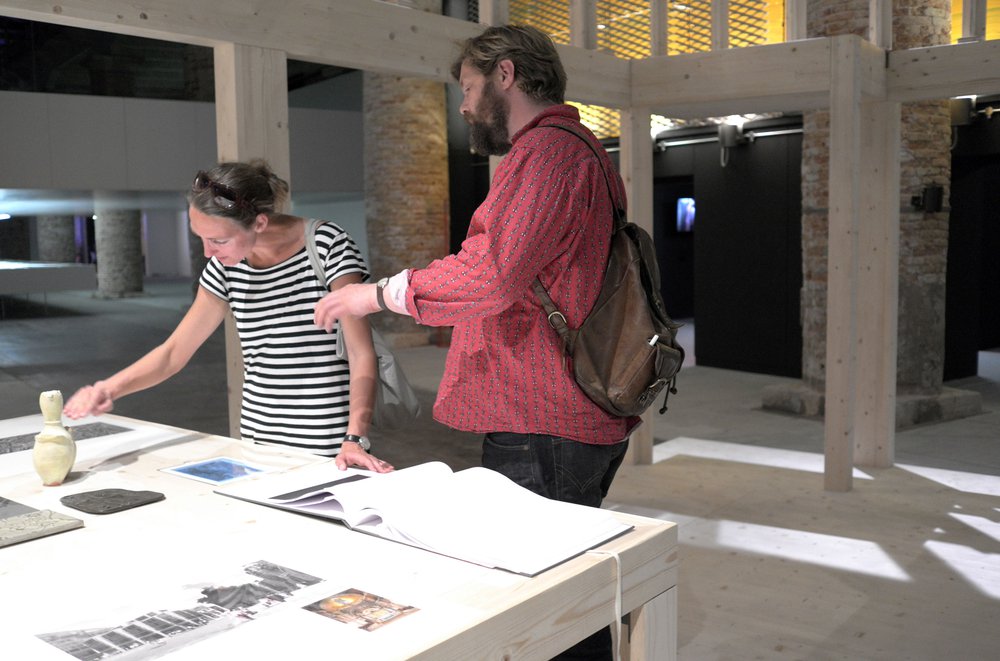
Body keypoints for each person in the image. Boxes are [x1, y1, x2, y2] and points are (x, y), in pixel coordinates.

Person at [312, 25, 637, 659]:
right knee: (565, 590)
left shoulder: (549, 154)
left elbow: (494, 274)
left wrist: (374, 294)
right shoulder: (573, 152)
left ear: (506, 75)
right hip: (557, 412)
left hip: (544, 416)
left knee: (545, 602)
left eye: (466, 87)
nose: (462, 106)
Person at [63, 160, 392, 473]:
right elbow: (174, 352)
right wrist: (107, 389)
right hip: (255, 441)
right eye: (201, 239)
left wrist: (354, 439)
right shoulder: (224, 268)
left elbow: (360, 353)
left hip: (328, 444)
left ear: (259, 223)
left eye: (218, 240)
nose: (208, 253)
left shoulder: (325, 245)